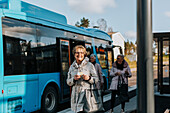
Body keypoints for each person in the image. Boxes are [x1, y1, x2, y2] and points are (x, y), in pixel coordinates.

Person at [67, 45, 102, 113]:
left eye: (81, 53)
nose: (79, 54)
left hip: (87, 96)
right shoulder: (72, 66)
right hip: (76, 96)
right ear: (74, 54)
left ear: (84, 54)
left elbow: (96, 79)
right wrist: (73, 79)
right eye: (77, 52)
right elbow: (68, 82)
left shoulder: (90, 65)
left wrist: (89, 78)